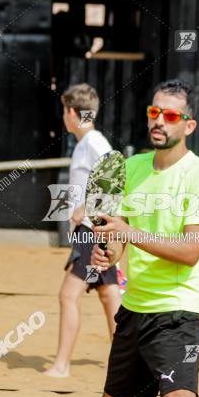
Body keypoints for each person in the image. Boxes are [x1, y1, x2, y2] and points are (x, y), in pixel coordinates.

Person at [91, 80, 199, 397]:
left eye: (170, 116)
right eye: (154, 112)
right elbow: (120, 236)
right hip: (136, 307)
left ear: (190, 124)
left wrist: (128, 233)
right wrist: (108, 248)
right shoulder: (132, 167)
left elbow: (189, 252)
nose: (159, 122)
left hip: (179, 311)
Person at [43, 83, 121, 378]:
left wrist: (85, 209)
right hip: (94, 231)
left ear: (73, 113)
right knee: (109, 295)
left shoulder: (93, 143)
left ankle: (62, 365)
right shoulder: (86, 143)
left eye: (65, 110)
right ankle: (125, 362)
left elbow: (114, 176)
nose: (64, 116)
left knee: (68, 295)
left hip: (93, 231)